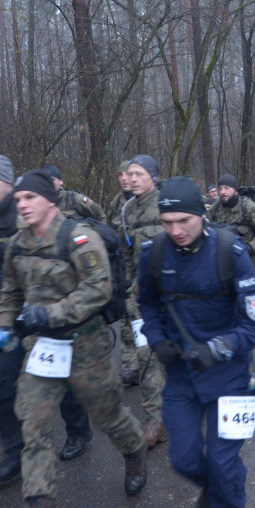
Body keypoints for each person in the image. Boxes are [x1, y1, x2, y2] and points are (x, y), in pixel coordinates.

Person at [0, 170, 148, 508]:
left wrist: (51, 313)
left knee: (108, 415)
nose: (22, 205)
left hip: (85, 344)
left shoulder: (79, 238)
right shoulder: (16, 244)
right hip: (42, 348)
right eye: (18, 200)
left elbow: (98, 288)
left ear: (48, 199)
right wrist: (2, 325)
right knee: (33, 423)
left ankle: (134, 451)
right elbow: (10, 294)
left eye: (29, 198)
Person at [138, 177, 255, 508]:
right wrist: (155, 338)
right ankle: (214, 490)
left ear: (202, 214)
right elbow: (148, 304)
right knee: (182, 458)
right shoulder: (153, 254)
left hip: (229, 377)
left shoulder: (232, 253)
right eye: (167, 223)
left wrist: (217, 349)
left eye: (184, 221)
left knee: (222, 459)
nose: (176, 230)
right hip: (181, 376)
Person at [0, 155, 93, 484]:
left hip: (46, 310)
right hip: (8, 312)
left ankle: (79, 431)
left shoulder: (30, 213)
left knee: (58, 376)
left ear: (10, 182)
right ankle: (15, 454)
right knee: (1, 384)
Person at [117, 154, 169, 447]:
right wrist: (126, 290)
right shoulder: (126, 211)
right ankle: (155, 422)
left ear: (153, 176)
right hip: (142, 298)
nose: (132, 178)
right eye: (129, 173)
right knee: (145, 356)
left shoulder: (168, 203)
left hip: (175, 296)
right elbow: (127, 254)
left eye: (138, 173)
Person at [107, 160, 140, 388]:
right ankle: (131, 367)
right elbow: (109, 234)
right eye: (120, 174)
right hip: (125, 269)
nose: (124, 178)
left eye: (128, 174)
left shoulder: (150, 200)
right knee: (128, 318)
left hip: (149, 270)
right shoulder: (116, 203)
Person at [208, 174, 255, 279]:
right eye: (220, 188)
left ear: (235, 190)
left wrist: (250, 248)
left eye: (227, 188)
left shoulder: (249, 207)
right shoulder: (215, 208)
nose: (222, 192)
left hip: (250, 263)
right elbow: (206, 230)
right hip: (225, 265)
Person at [41, 164, 107, 221]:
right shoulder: (39, 202)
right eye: (44, 180)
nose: (48, 183)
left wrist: (98, 234)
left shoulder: (75, 199)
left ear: (61, 181)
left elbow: (100, 214)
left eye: (51, 179)